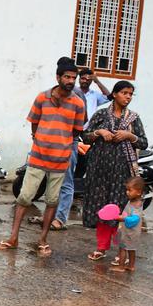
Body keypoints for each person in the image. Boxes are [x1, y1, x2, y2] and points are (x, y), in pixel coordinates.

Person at [0, 57, 85, 257]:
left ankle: (43, 240)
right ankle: (13, 238)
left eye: (74, 78)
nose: (71, 81)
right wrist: (39, 140)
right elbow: (34, 122)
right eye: (67, 77)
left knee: (52, 200)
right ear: (58, 77)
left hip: (61, 160)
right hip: (38, 157)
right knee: (24, 197)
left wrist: (62, 146)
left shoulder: (78, 104)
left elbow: (76, 131)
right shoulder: (42, 98)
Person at [82, 81, 148, 259]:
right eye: (124, 93)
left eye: (131, 94)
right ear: (115, 94)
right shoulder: (101, 115)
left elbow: (143, 142)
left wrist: (129, 135)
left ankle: (122, 251)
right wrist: (99, 133)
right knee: (103, 208)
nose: (128, 97)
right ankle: (101, 248)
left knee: (120, 211)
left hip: (122, 172)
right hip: (100, 170)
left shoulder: (133, 119)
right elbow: (85, 137)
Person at [50, 67, 111, 229]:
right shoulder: (55, 94)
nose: (84, 80)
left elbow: (109, 97)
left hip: (80, 134)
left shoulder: (89, 96)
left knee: (72, 173)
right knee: (57, 178)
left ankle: (61, 217)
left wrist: (97, 80)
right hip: (60, 137)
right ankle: (52, 215)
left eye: (87, 78)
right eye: (82, 77)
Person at [110, 177, 145, 272]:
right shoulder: (133, 201)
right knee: (131, 249)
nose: (127, 192)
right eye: (127, 190)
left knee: (123, 248)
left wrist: (122, 218)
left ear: (138, 192)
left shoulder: (136, 205)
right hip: (131, 231)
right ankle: (131, 266)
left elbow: (135, 219)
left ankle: (121, 267)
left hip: (130, 232)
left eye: (130, 190)